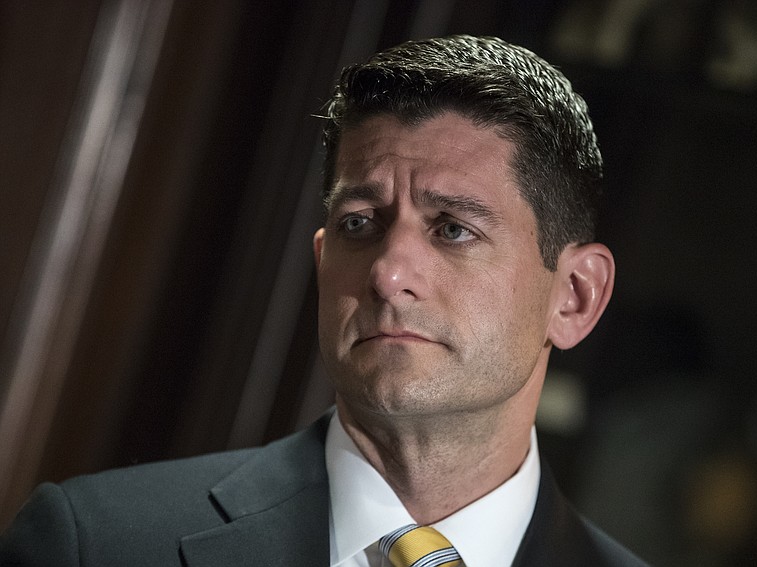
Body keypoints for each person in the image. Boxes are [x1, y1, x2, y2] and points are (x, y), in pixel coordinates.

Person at [0, 35, 646, 566]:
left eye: (453, 228)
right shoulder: (95, 544)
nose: (389, 274)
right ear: (321, 260)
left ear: (574, 296)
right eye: (359, 224)